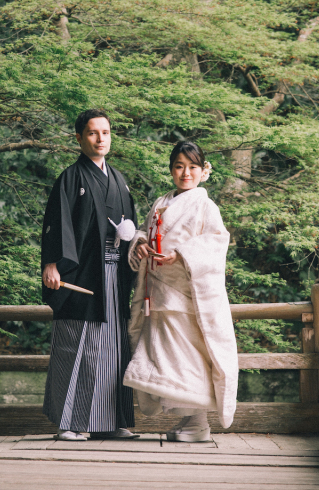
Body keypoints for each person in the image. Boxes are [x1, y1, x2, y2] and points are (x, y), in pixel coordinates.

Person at [124, 140, 238, 442]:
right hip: (157, 294)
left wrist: (182, 254)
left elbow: (216, 241)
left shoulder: (204, 205)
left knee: (187, 359)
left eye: (192, 167)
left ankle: (198, 422)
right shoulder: (162, 201)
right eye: (179, 166)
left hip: (185, 295)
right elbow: (143, 231)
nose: (185, 173)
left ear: (203, 171)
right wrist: (141, 244)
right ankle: (191, 421)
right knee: (168, 360)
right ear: (172, 169)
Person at [40, 109, 139, 441]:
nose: (101, 139)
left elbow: (131, 229)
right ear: (79, 137)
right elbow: (57, 223)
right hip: (82, 275)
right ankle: (70, 421)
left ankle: (111, 421)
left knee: (113, 347)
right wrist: (52, 263)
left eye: (106, 132)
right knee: (77, 345)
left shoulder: (119, 179)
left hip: (114, 274)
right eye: (93, 133)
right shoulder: (71, 177)